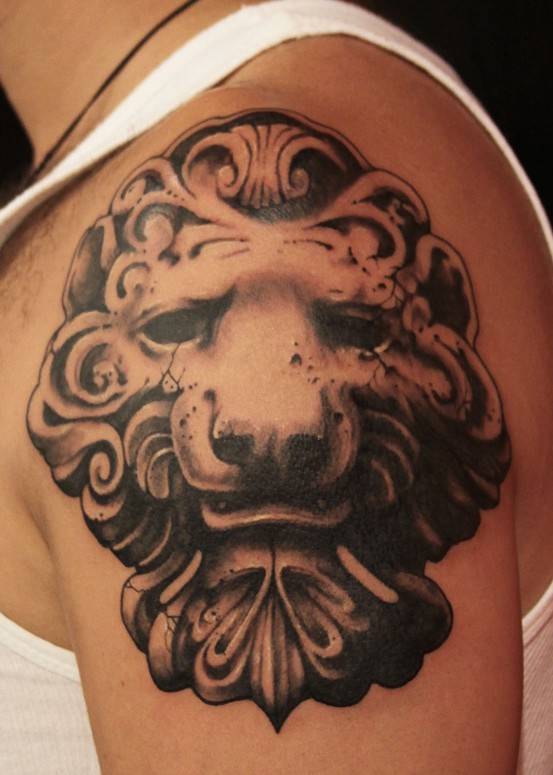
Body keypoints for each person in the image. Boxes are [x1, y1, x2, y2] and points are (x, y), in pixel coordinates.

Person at [0, 1, 551, 772]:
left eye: (353, 324)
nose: (274, 427)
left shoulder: (254, 110)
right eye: (177, 324)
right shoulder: (150, 132)